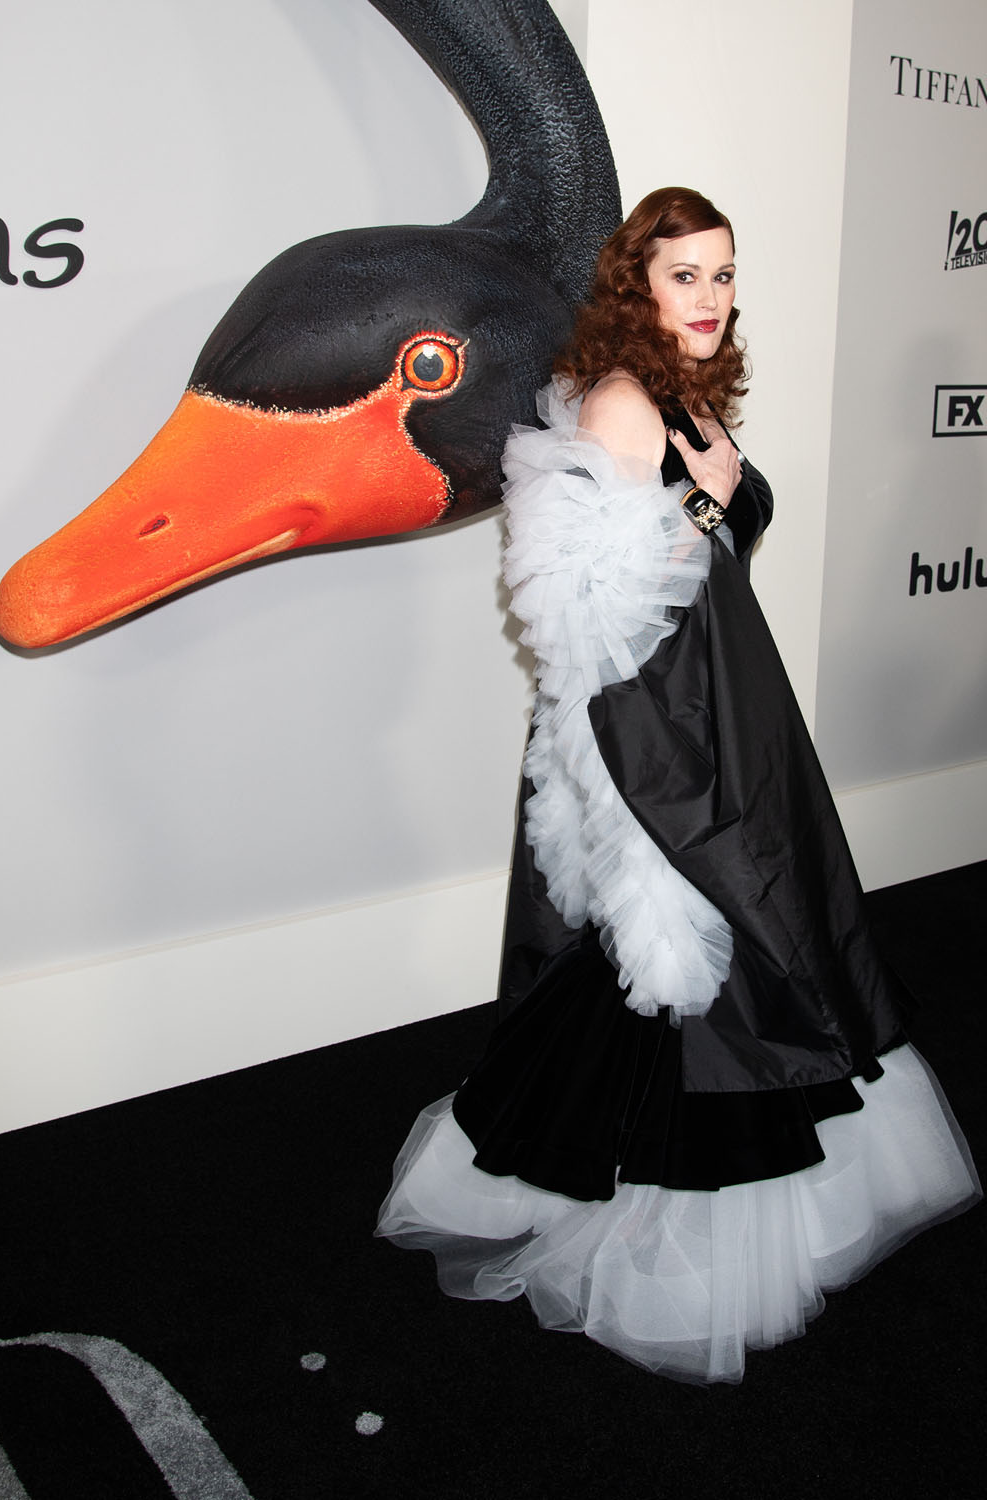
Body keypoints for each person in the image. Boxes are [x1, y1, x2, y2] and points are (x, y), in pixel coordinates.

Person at [375, 188, 981, 1384]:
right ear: (636, 287)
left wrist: (711, 495)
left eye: (723, 273)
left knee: (753, 922)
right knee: (697, 937)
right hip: (663, 729)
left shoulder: (686, 396)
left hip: (727, 699)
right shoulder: (620, 403)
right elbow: (585, 612)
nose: (710, 297)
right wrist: (706, 502)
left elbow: (700, 558)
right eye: (685, 275)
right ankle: (673, 1223)